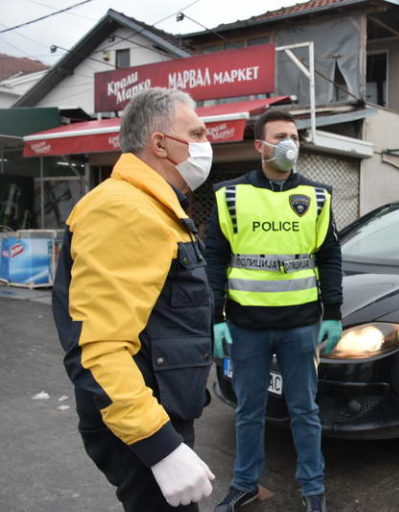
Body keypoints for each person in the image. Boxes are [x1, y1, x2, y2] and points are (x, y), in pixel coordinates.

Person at [52, 88, 216, 511]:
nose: (207, 144)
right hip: (140, 421)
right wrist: (159, 446)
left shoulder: (156, 207)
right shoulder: (124, 208)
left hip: (158, 407)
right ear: (160, 144)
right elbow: (99, 347)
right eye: (197, 134)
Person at [206, 109, 343, 512]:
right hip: (246, 325)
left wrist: (333, 312)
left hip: (300, 325)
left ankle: (313, 488)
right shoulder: (229, 195)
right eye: (281, 136)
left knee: (305, 411)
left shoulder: (318, 196)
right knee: (248, 411)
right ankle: (244, 484)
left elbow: (329, 256)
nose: (289, 144)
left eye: (295, 137)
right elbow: (215, 260)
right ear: (259, 145)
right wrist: (216, 317)